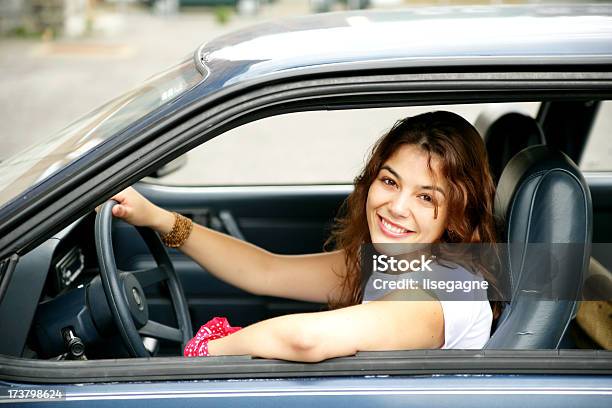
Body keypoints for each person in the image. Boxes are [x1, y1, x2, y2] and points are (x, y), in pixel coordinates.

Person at [109, 111, 499, 362]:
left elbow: (306, 339)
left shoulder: (442, 297)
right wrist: (159, 219)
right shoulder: (395, 262)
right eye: (389, 181)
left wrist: (208, 349)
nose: (397, 206)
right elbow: (265, 271)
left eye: (426, 196)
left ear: (455, 213)